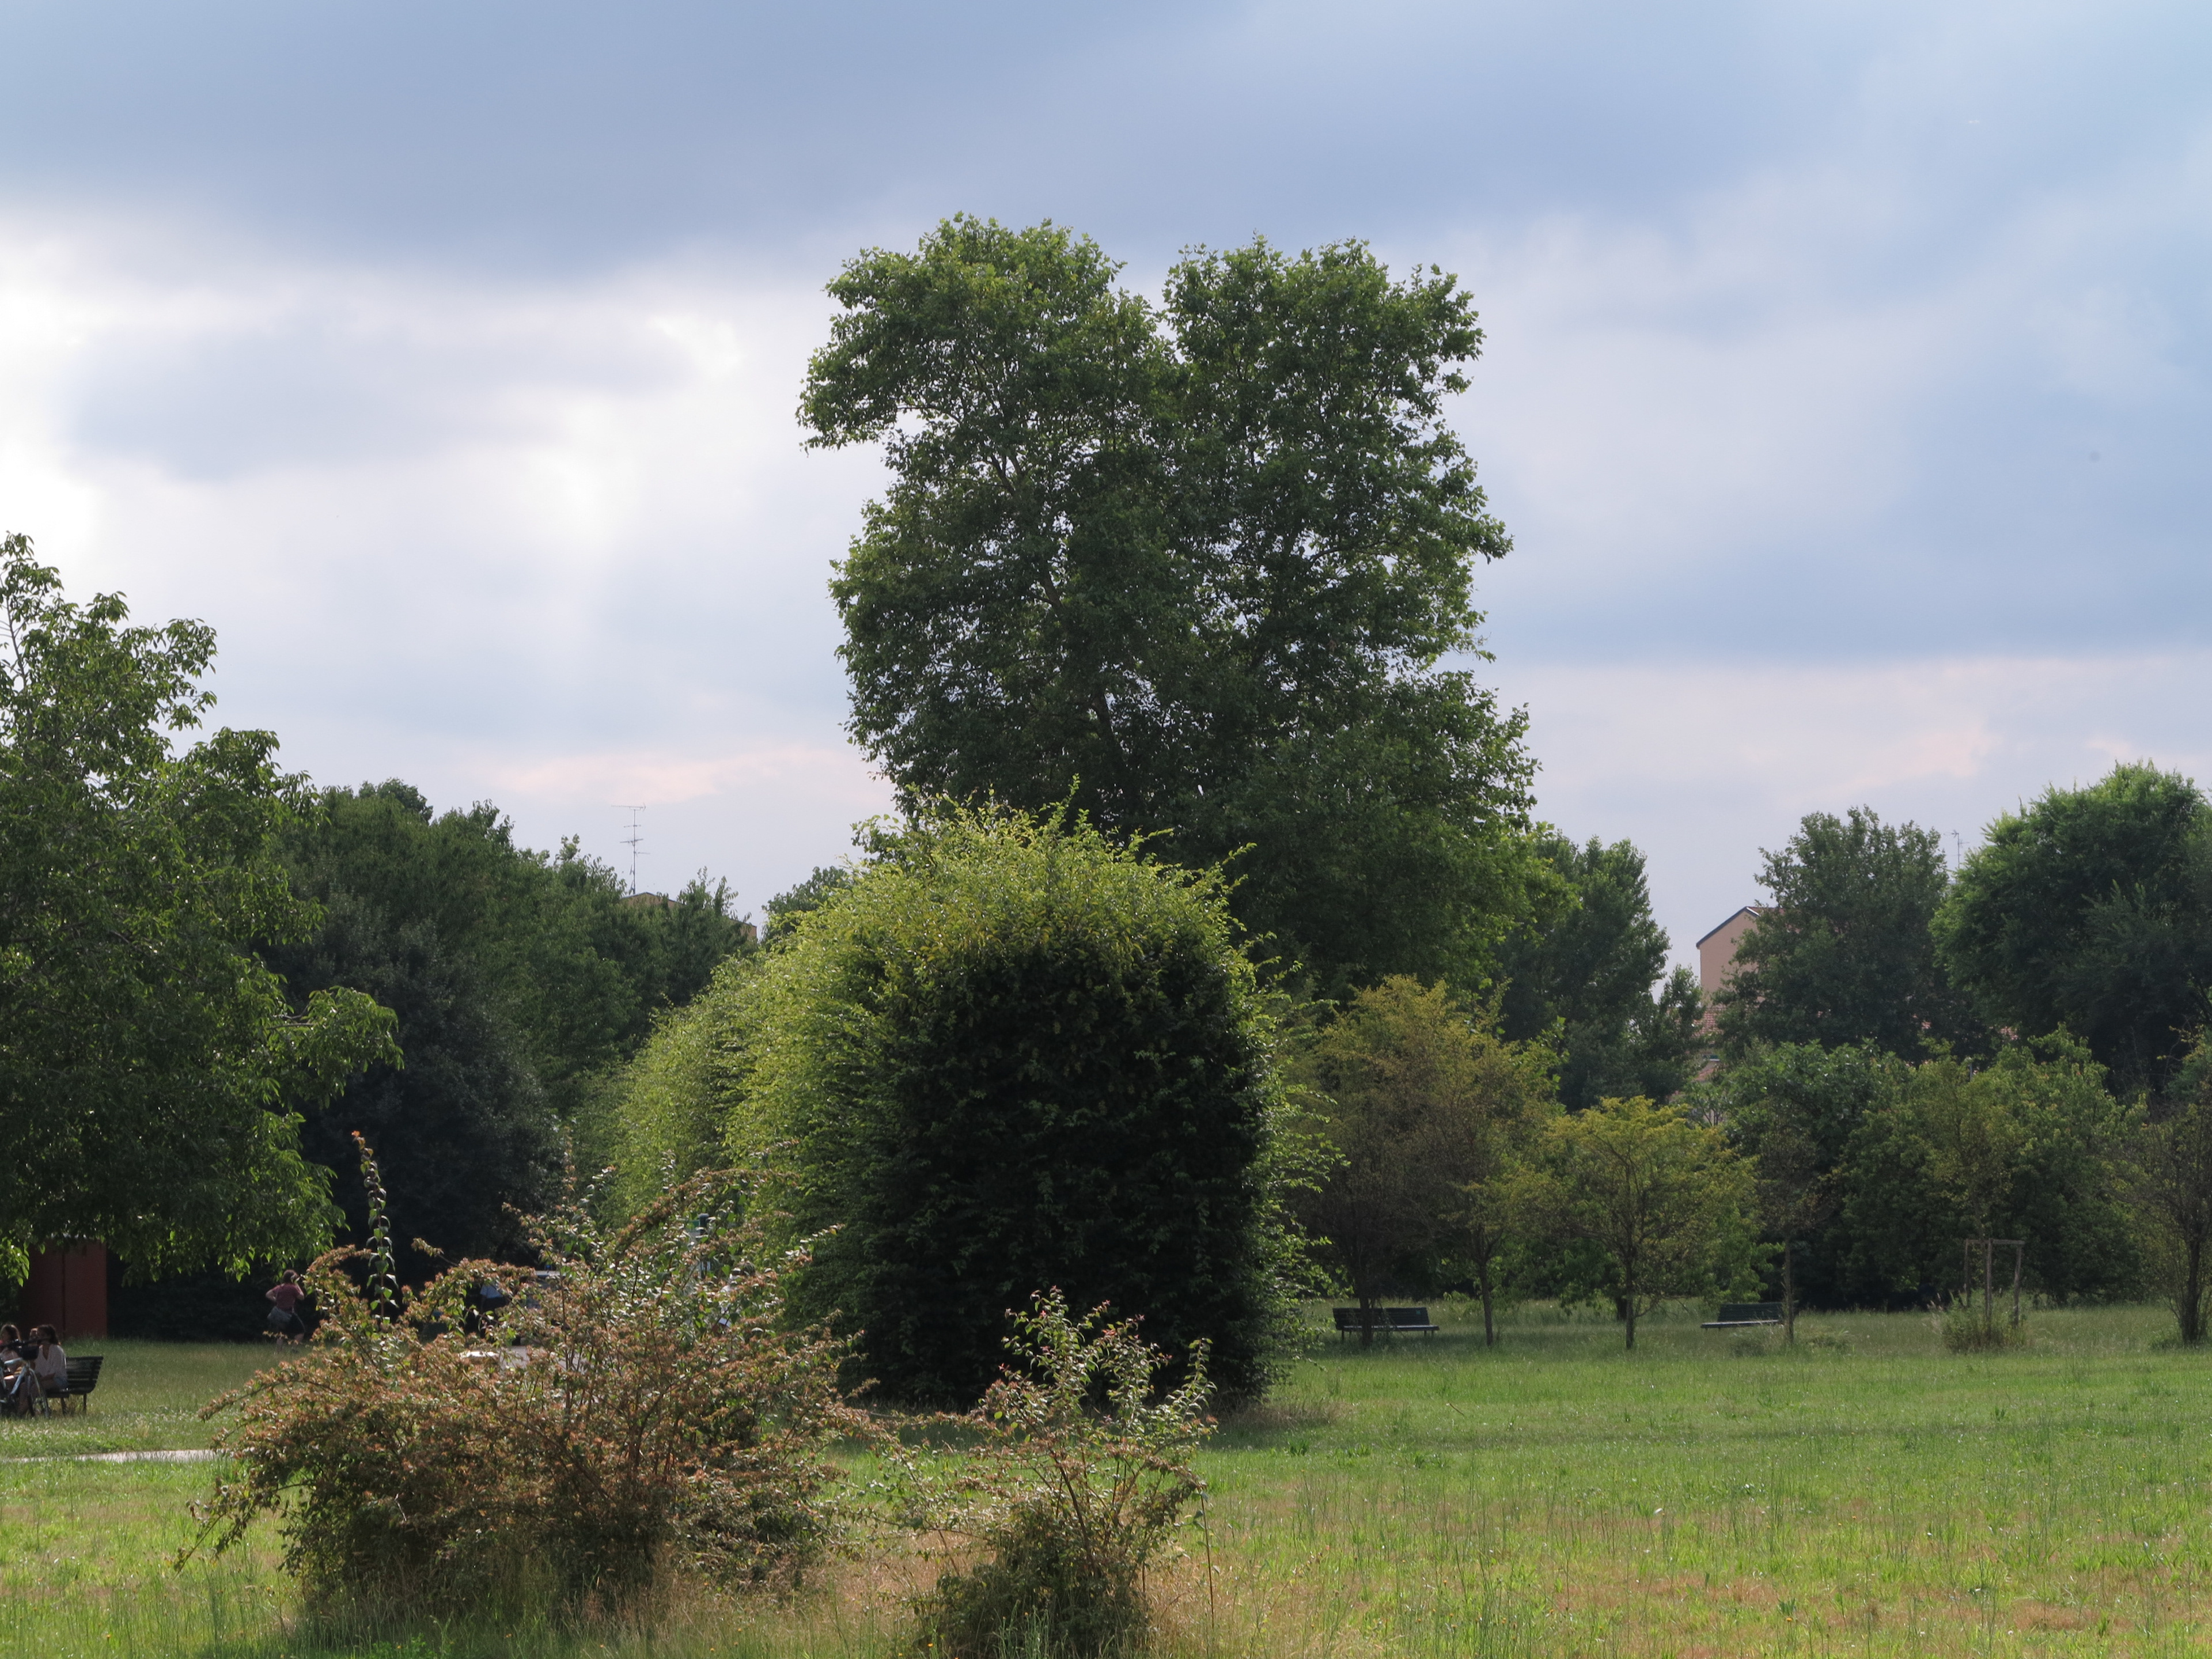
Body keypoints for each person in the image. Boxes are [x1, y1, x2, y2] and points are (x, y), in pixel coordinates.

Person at [266, 1270, 306, 1342]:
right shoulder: (293, 1288)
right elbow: (302, 1297)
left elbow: (268, 1294)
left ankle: (278, 1352)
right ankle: (294, 1349)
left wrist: (276, 1300)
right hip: (289, 1313)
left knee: (282, 1333)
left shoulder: (280, 1287)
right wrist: (297, 1286)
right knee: (301, 1331)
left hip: (279, 1312)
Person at [31, 1325, 65, 1403]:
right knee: (24, 1386)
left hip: (58, 1380)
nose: (40, 1338)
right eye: (38, 1336)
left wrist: (38, 1380)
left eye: (43, 1335)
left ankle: (21, 1412)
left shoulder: (56, 1350)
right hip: (44, 1379)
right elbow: (36, 1368)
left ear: (49, 1336)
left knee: (36, 1387)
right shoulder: (39, 1350)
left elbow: (54, 1373)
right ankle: (22, 1409)